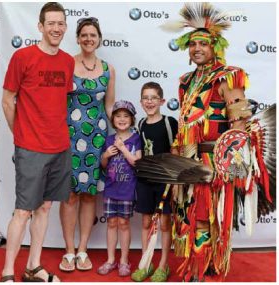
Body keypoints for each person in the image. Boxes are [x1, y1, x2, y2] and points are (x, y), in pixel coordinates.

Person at [162, 2, 272, 282]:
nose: (197, 49)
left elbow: (239, 122)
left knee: (204, 216)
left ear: (215, 47)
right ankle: (195, 266)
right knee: (186, 215)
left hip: (212, 160)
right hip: (186, 159)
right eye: (193, 44)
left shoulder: (228, 76)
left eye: (204, 44)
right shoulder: (186, 80)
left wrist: (232, 161)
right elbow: (185, 120)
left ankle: (201, 271)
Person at [0, 2, 74, 282]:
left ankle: (33, 266)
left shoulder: (67, 61)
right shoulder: (23, 57)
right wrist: (20, 135)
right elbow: (8, 100)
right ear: (40, 27)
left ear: (65, 27)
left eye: (60, 23)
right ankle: (8, 271)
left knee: (45, 208)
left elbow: (57, 102)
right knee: (23, 211)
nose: (56, 28)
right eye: (51, 23)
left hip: (60, 146)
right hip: (31, 147)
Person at [59, 17, 115, 272]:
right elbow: (56, 102)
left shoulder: (108, 69)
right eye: (84, 35)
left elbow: (110, 106)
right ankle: (69, 251)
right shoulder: (66, 64)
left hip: (98, 140)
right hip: (68, 137)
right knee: (69, 194)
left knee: (89, 194)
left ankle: (83, 250)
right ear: (78, 38)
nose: (89, 39)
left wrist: (120, 137)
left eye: (93, 35)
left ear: (99, 38)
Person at [131, 82, 178, 282]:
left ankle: (163, 265)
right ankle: (146, 262)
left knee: (165, 224)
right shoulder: (140, 124)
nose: (149, 101)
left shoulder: (169, 123)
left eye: (153, 98)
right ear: (141, 102)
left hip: (164, 181)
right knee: (145, 222)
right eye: (146, 98)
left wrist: (175, 182)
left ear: (162, 101)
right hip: (145, 180)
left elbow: (176, 152)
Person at [96, 100, 142, 276]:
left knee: (123, 223)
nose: (122, 119)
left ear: (132, 119)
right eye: (118, 116)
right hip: (110, 188)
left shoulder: (136, 139)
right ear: (113, 119)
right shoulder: (108, 139)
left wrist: (123, 149)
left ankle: (124, 260)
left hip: (127, 189)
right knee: (111, 223)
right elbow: (103, 165)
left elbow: (136, 163)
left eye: (126, 116)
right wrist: (105, 155)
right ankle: (110, 260)